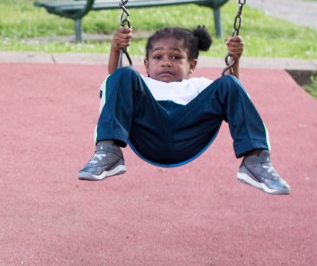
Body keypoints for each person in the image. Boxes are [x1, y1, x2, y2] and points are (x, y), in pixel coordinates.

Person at [77, 25, 290, 194]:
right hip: (149, 131)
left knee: (230, 83)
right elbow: (115, 81)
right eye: (158, 57)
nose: (166, 63)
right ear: (146, 64)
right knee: (122, 74)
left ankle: (255, 159)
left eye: (176, 57)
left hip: (188, 133)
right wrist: (116, 49)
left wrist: (234, 59)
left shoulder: (198, 86)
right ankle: (108, 150)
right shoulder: (140, 84)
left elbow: (232, 96)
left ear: (192, 65)